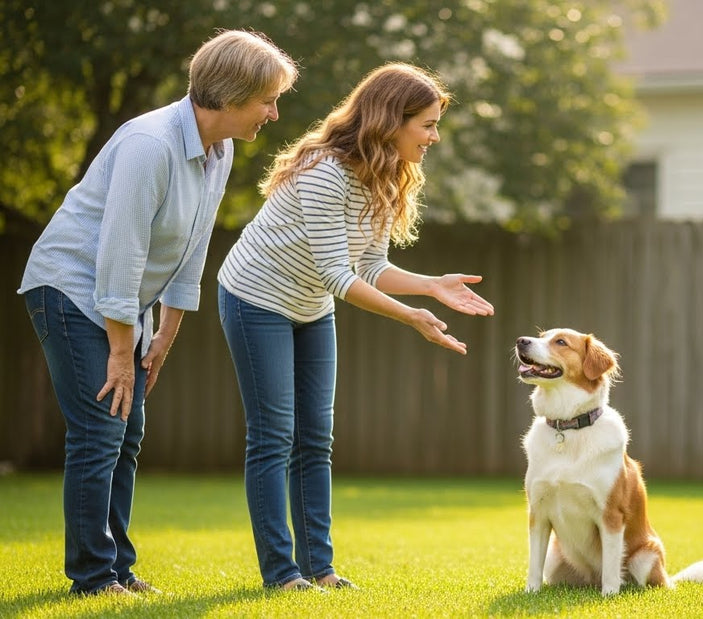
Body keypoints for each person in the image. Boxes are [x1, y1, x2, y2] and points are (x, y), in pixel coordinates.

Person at [18, 30, 298, 596]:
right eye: (267, 99)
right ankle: (93, 578)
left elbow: (191, 249)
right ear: (229, 94)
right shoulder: (150, 143)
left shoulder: (220, 150)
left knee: (128, 431)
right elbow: (119, 254)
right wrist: (123, 353)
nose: (273, 112)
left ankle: (117, 567)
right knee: (100, 429)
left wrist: (164, 336)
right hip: (70, 287)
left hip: (125, 303)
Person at [217, 62, 495, 591]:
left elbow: (368, 265)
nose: (434, 137)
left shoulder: (387, 175)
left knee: (316, 437)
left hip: (310, 306)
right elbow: (336, 273)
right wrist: (410, 316)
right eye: (428, 125)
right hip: (255, 299)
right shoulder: (326, 171)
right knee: (274, 436)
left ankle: (319, 570)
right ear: (393, 119)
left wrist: (431, 284)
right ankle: (281, 573)